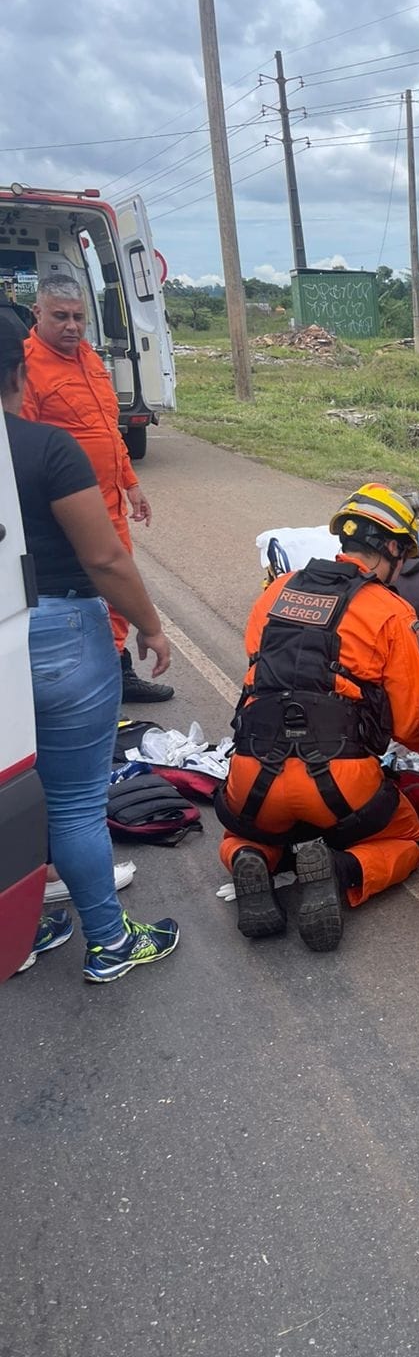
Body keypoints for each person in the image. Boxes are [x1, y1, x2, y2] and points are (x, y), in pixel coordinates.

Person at [2, 319, 179, 983]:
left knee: (14, 794)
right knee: (73, 799)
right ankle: (110, 942)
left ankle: (24, 928)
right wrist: (151, 626)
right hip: (57, 634)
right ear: (20, 372)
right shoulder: (47, 451)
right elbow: (104, 557)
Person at [215, 486, 419, 952]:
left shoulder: (276, 590)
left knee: (245, 830)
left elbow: (260, 671)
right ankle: (340, 870)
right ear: (392, 548)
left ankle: (249, 856)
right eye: (404, 555)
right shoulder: (392, 612)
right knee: (408, 835)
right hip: (340, 783)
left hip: (255, 773)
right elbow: (412, 721)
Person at [21, 273, 171, 702]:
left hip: (109, 501)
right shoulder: (28, 366)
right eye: (60, 317)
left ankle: (118, 671)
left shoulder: (88, 357)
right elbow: (25, 444)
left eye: (79, 318)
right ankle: (90, 682)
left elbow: (108, 429)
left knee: (119, 588)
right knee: (87, 592)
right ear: (38, 313)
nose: (71, 326)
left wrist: (132, 484)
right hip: (67, 508)